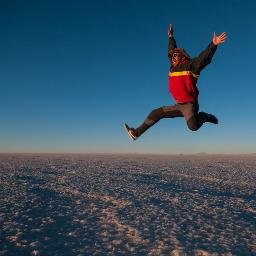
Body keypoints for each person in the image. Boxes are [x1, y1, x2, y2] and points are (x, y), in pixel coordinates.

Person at [124, 24, 227, 141]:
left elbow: (203, 59)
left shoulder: (191, 66)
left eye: (176, 56)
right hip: (178, 105)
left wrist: (213, 45)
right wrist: (171, 37)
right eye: (172, 56)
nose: (173, 57)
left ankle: (204, 116)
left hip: (190, 105)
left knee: (193, 126)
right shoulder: (172, 68)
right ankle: (136, 133)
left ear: (183, 57)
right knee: (155, 113)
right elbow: (171, 50)